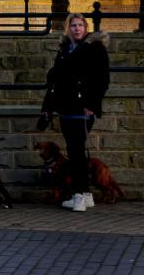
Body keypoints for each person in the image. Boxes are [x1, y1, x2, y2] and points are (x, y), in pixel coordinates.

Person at [39, 13, 110, 212]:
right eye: (73, 25)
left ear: (86, 28)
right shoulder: (64, 50)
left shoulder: (94, 49)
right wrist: (47, 109)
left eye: (80, 25)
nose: (77, 29)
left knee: (76, 152)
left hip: (82, 109)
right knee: (74, 151)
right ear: (67, 28)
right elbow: (55, 81)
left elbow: (102, 80)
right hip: (66, 107)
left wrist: (92, 104)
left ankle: (78, 195)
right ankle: (86, 195)